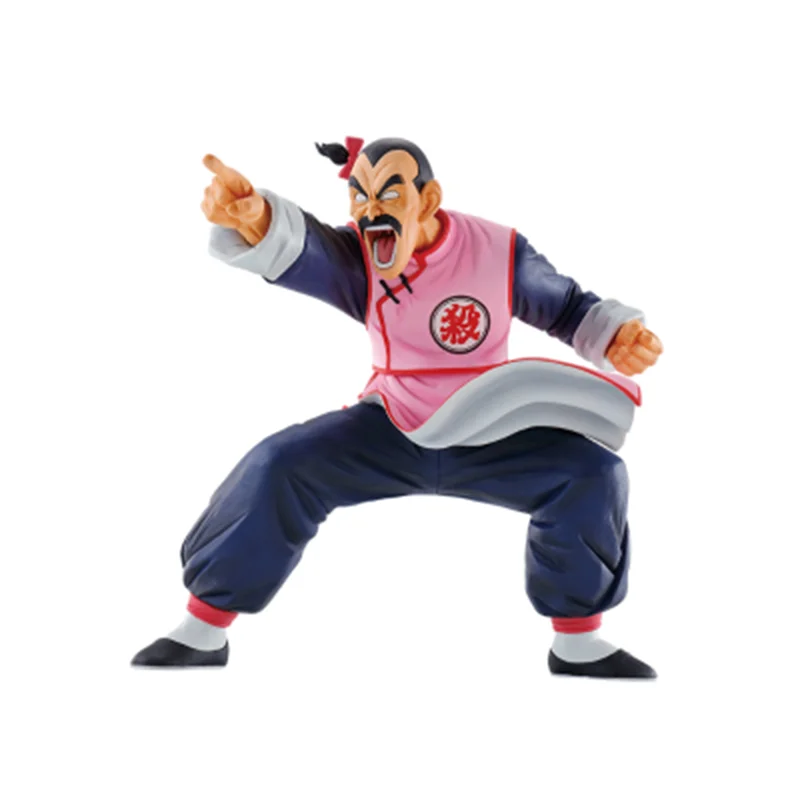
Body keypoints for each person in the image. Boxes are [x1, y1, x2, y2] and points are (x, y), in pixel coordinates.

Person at [132, 137, 663, 678]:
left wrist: (617, 335)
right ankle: (203, 629)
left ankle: (577, 642)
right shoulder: (362, 259)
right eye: (359, 197)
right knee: (279, 465)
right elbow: (307, 251)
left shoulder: (498, 251)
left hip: (493, 429)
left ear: (427, 200)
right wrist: (257, 218)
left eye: (388, 194)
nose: (370, 211)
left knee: (594, 475)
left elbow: (568, 308)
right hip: (391, 424)